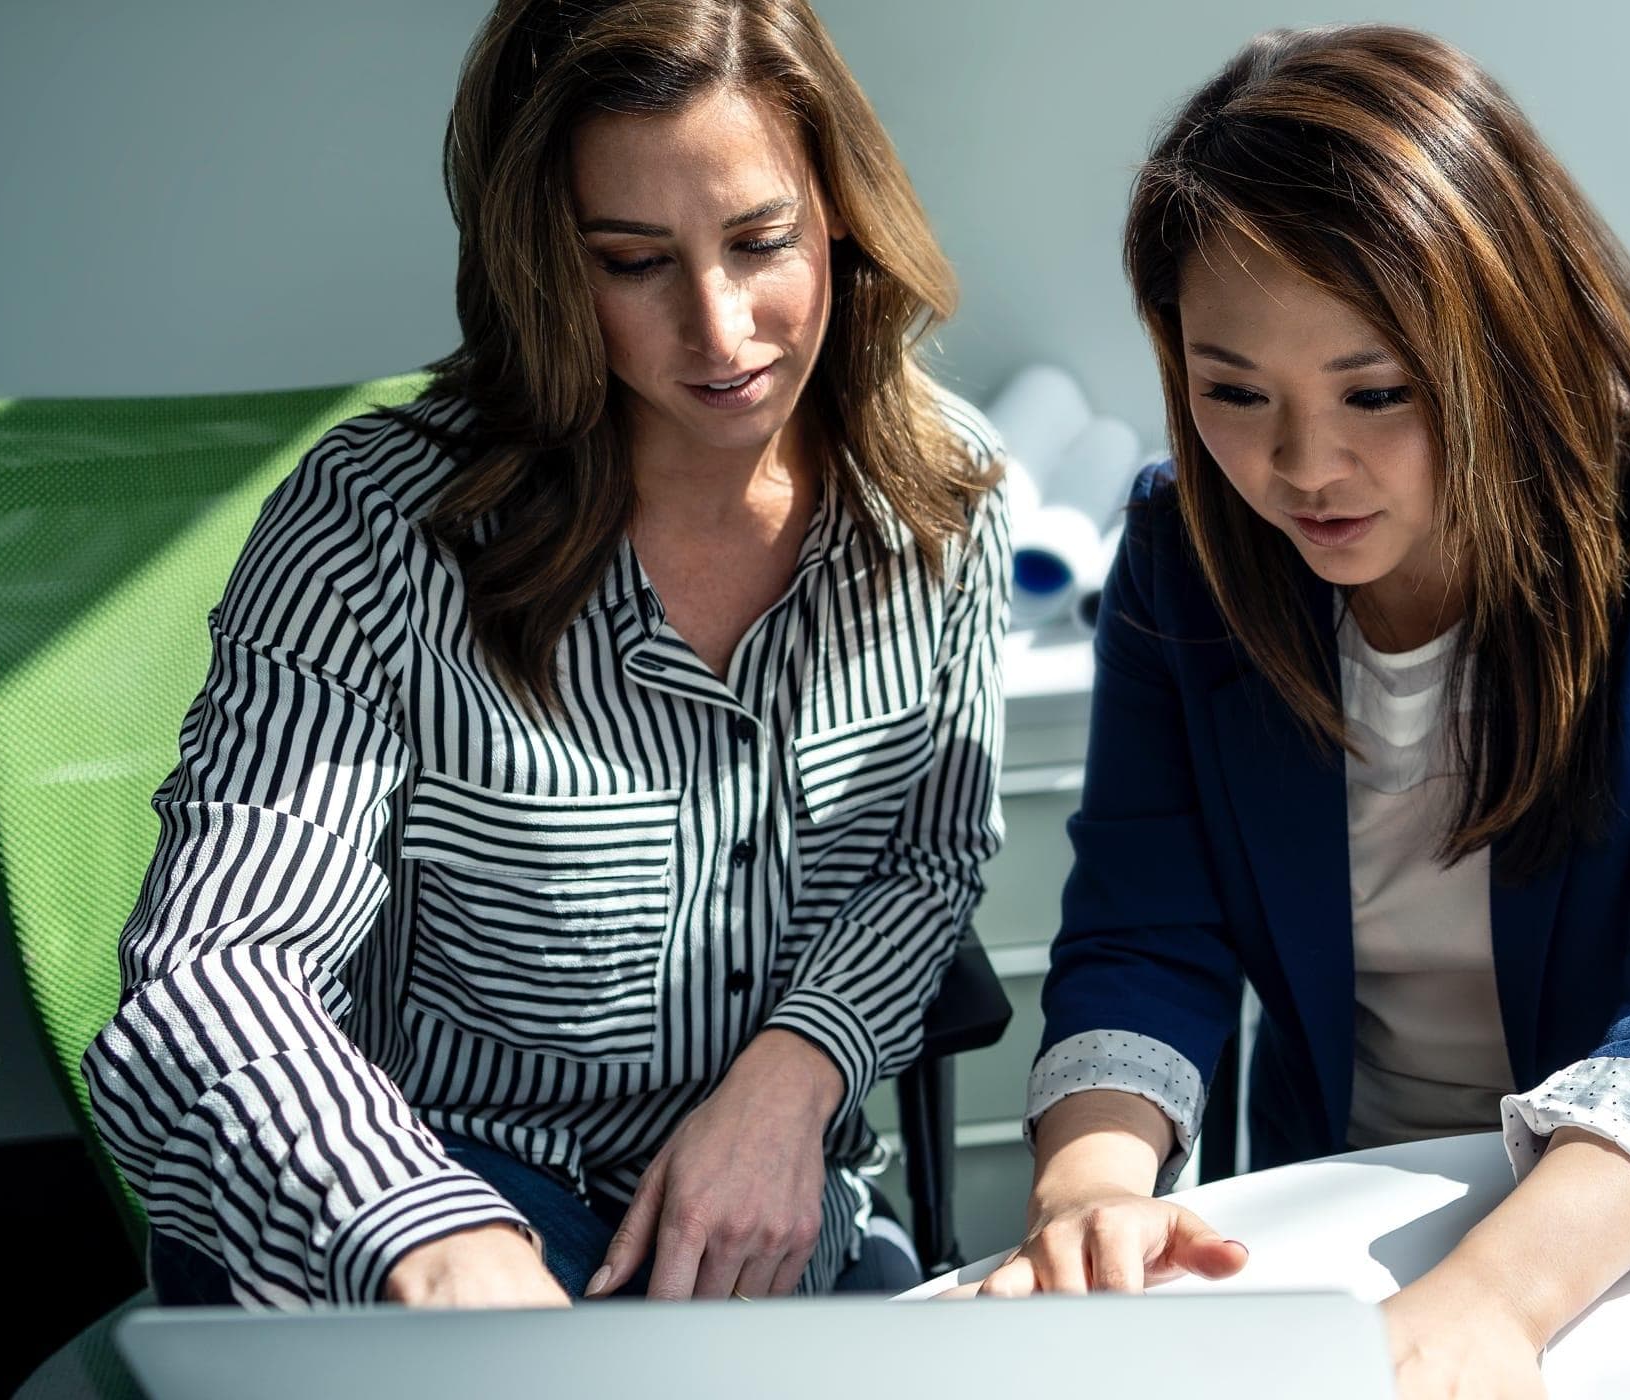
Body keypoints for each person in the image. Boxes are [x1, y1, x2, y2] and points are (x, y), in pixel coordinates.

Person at [977, 24, 1630, 1396]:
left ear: (1507, 340)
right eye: (1233, 393)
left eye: (1377, 392)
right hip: (1346, 1217)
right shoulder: (1187, 562)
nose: (1303, 467)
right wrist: (1090, 1193)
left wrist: (1487, 1305)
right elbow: (1143, 936)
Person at [83, 0, 1006, 1308]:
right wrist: (417, 1230)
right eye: (632, 260)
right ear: (544, 266)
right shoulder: (375, 530)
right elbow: (217, 967)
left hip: (775, 1220)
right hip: (449, 1196)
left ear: (841, 213)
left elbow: (927, 858)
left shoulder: (941, 498)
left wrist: (794, 1079)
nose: (722, 326)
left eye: (761, 241)